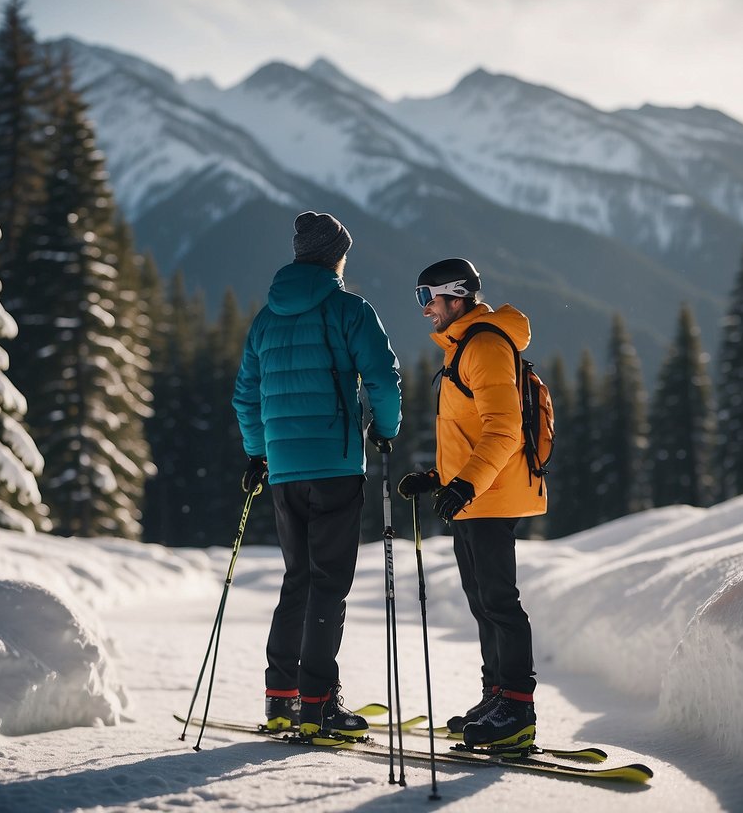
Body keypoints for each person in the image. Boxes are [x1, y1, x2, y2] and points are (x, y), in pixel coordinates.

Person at [232, 210, 401, 739]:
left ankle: (281, 698)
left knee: (298, 579)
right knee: (329, 584)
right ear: (337, 255)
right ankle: (319, 704)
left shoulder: (265, 318)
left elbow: (245, 395)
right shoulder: (350, 309)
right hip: (336, 465)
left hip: (283, 470)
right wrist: (386, 429)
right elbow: (382, 377)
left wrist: (260, 453)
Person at [397, 257, 545, 749]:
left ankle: (518, 710)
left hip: (494, 494)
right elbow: (470, 432)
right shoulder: (463, 345)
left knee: (500, 601)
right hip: (477, 493)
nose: (424, 310)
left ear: (457, 296)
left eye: (428, 298)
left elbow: (503, 431)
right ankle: (497, 695)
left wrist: (465, 485)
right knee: (483, 602)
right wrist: (439, 477)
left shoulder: (483, 345)